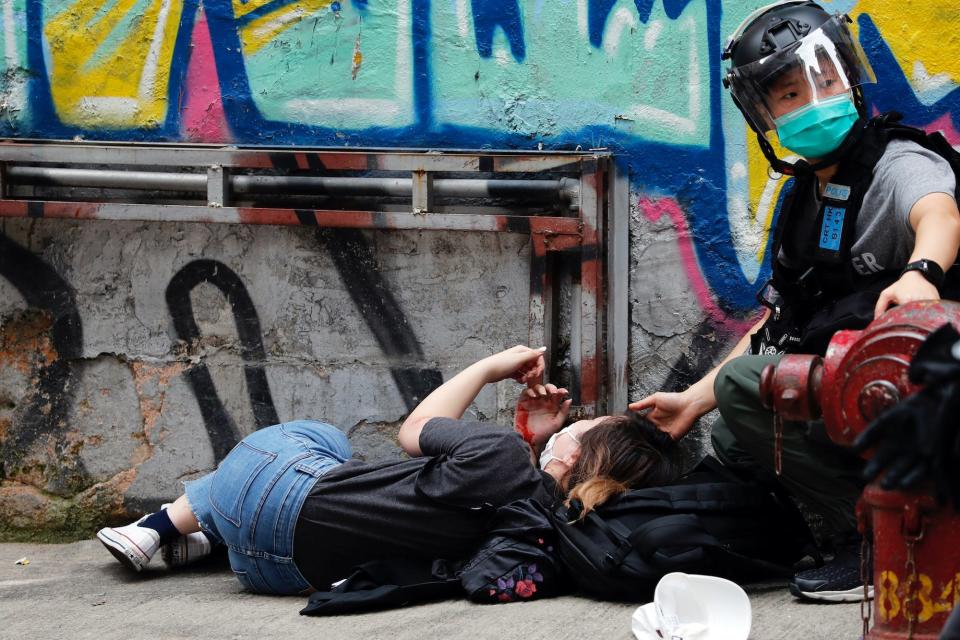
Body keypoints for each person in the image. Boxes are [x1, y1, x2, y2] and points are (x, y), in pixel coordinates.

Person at [630, 1, 960, 603]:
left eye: (824, 78)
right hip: (863, 392)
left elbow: (937, 209)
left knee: (748, 393)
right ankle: (849, 522)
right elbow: (777, 327)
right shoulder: (803, 199)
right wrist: (689, 404)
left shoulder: (897, 164)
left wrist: (922, 271)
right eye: (787, 94)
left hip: (929, 390)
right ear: (765, 114)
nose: (811, 98)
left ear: (848, 78)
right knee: (733, 430)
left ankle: (881, 542)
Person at [97, 345, 678, 595]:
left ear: (575, 455)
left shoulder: (501, 457)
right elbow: (507, 498)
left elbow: (413, 431)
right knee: (299, 491)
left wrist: (489, 369)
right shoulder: (554, 535)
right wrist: (537, 442)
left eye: (579, 423)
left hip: (275, 499)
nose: (572, 418)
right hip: (272, 576)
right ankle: (200, 539)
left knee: (317, 439)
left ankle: (160, 525)